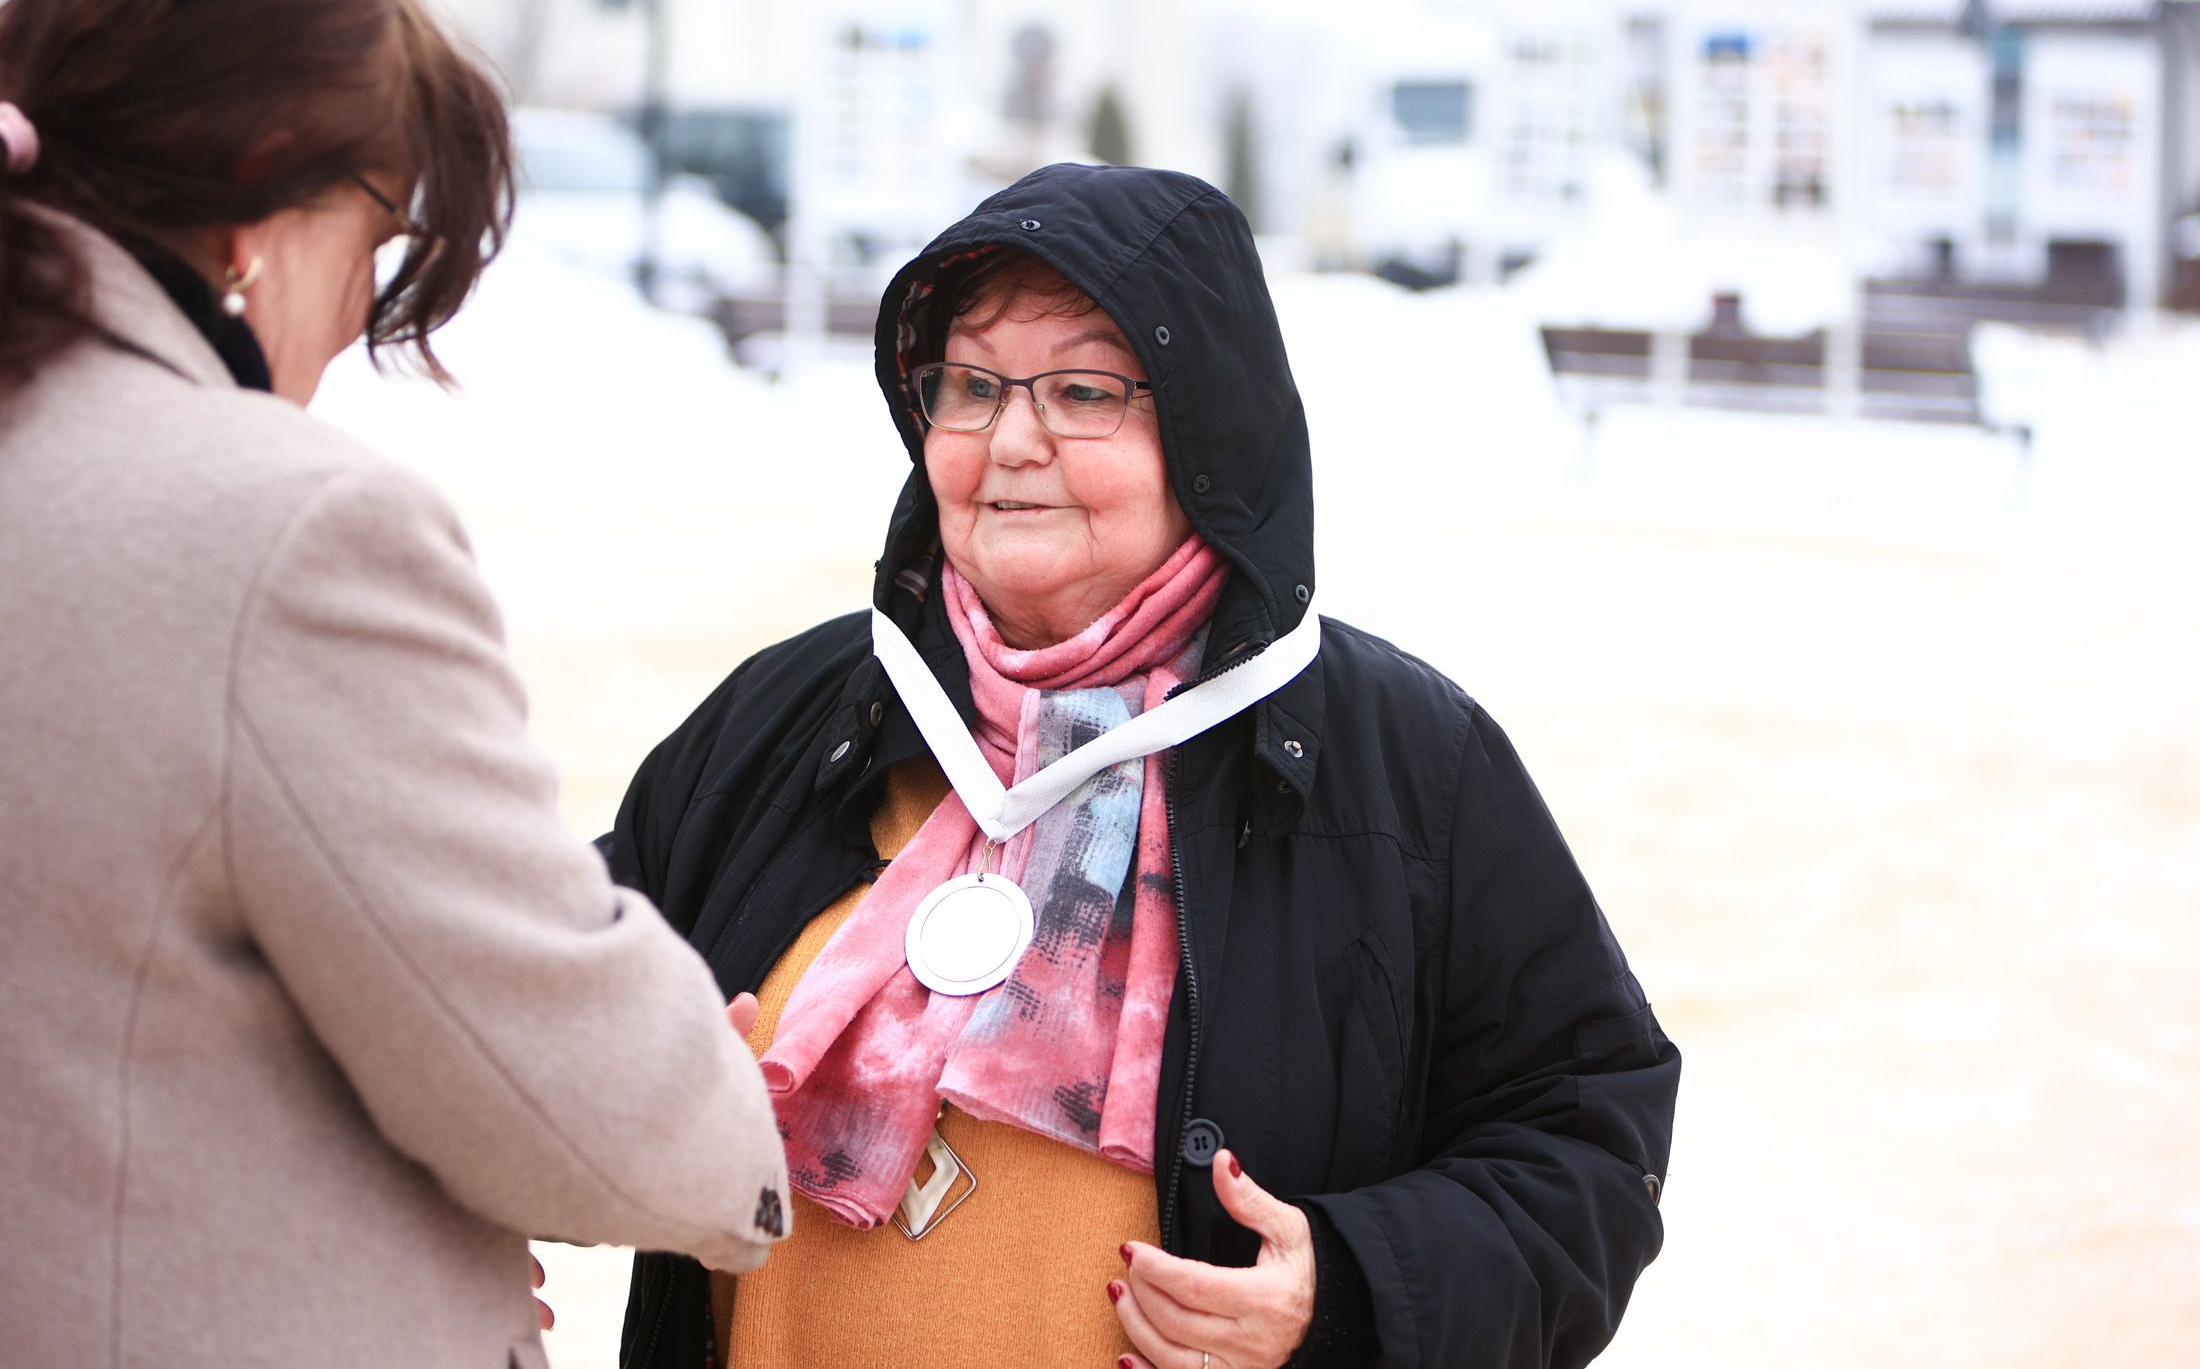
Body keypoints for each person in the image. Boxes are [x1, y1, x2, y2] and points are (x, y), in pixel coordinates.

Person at [602, 161, 1680, 1368]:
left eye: (1082, 391)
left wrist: (1348, 1289)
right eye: (972, 385)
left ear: (1209, 429)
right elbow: (515, 1002)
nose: (1012, 440)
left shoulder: (1407, 766)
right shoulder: (788, 719)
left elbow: (1585, 1139)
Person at [0, 0, 787, 1366]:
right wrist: (722, 1105)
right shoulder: (275, 531)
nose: (364, 301)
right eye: (378, 232)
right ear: (262, 195)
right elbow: (560, 1078)